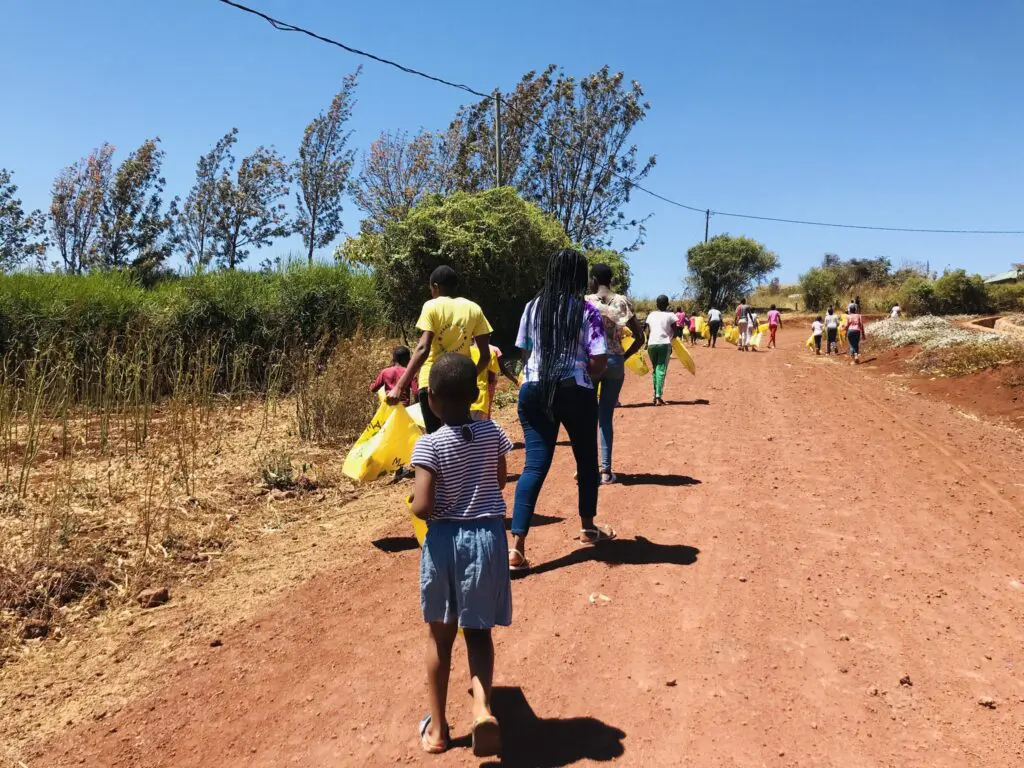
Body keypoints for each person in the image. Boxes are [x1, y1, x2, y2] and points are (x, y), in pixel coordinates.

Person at [410, 354, 513, 757]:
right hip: (486, 539)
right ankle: (482, 708)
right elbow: (501, 479)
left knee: (440, 636)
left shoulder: (429, 444)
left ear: (431, 399)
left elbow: (422, 505)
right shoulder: (492, 432)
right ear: (474, 395)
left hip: (445, 543)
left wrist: (421, 504)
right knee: (479, 631)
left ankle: (437, 731)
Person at [509, 248, 614, 572]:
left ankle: (517, 548)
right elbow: (598, 360)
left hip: (534, 389)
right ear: (579, 277)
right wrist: (587, 376)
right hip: (575, 391)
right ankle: (587, 528)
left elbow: (524, 351)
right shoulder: (587, 311)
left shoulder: (532, 307)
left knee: (534, 467)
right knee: (586, 461)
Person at [388, 266, 492, 434]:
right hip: (460, 384)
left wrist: (399, 386)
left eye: (431, 289)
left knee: (437, 440)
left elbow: (423, 348)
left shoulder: (432, 306)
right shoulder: (474, 308)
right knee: (460, 437)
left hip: (432, 383)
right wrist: (468, 378)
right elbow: (485, 356)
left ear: (435, 287)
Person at [587, 263, 644, 484]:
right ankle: (606, 470)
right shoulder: (622, 301)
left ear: (593, 279)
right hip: (615, 361)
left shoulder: (586, 302)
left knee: (587, 417)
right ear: (610, 279)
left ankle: (587, 465)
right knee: (605, 417)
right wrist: (623, 356)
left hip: (592, 361)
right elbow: (640, 338)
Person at [645, 295, 677, 406]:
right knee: (661, 369)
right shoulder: (671, 315)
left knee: (655, 369)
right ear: (667, 304)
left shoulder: (651, 315)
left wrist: (646, 344)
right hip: (664, 343)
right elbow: (676, 331)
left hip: (651, 344)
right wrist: (673, 341)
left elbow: (648, 331)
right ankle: (658, 397)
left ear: (657, 304)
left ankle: (655, 395)